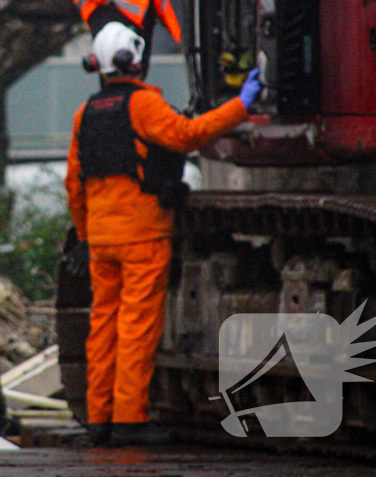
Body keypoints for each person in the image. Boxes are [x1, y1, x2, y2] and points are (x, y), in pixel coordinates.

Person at [64, 22, 261, 446]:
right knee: (136, 326)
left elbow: (74, 184)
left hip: (101, 238)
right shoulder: (142, 106)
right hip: (141, 235)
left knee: (103, 327)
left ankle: (99, 419)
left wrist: (85, 235)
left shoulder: (85, 114)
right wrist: (240, 105)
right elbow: (188, 136)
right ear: (134, 60)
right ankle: (130, 421)